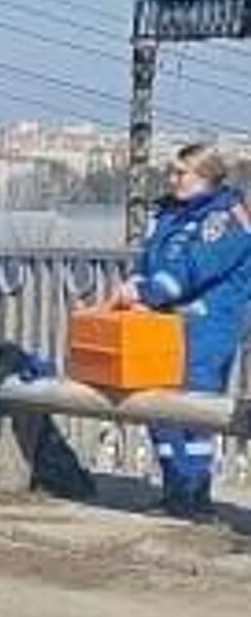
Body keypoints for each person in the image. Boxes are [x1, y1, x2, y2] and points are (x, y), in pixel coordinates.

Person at [113, 143, 251, 520]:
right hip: (162, 324)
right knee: (157, 407)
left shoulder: (227, 218)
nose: (171, 179)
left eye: (180, 173)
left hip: (206, 326)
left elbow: (194, 269)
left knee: (193, 411)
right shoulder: (170, 214)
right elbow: (151, 259)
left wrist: (148, 292)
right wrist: (136, 285)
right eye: (171, 172)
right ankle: (175, 491)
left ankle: (194, 496)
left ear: (205, 176)